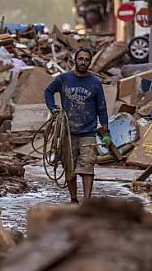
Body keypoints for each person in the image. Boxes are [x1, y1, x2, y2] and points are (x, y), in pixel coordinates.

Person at [44, 48, 109, 203]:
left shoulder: (95, 83)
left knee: (87, 167)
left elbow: (102, 106)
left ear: (90, 62)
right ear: (75, 60)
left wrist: (105, 131)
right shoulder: (63, 79)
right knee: (69, 168)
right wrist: (53, 109)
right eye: (80, 59)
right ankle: (74, 199)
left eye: (86, 60)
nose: (83, 62)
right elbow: (48, 91)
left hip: (88, 132)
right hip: (68, 131)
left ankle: (87, 202)